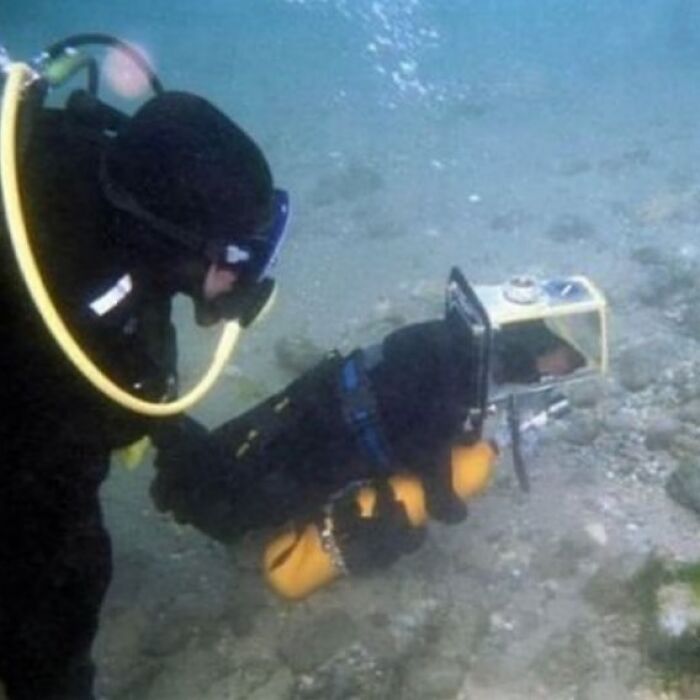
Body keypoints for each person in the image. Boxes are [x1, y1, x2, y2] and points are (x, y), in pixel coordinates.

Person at [0, 38, 289, 700]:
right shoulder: (54, 270)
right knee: (62, 575)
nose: (247, 275)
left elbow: (137, 332)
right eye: (235, 256)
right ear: (174, 242)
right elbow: (52, 439)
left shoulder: (124, 207)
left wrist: (168, 430)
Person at [152, 273, 597, 601]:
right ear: (536, 346)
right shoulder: (461, 377)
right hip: (329, 443)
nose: (565, 369)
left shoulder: (458, 342)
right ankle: (165, 446)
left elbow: (417, 412)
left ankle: (170, 441)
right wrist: (443, 502)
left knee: (246, 446)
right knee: (227, 506)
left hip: (323, 400)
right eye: (565, 359)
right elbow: (431, 468)